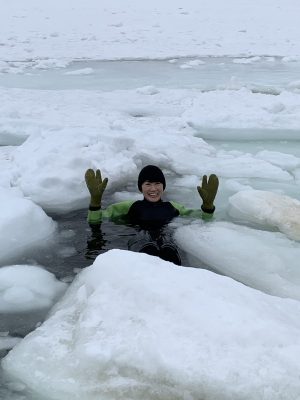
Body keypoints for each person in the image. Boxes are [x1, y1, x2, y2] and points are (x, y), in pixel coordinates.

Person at [85, 165, 219, 265]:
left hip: (167, 242)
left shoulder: (173, 206)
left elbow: (199, 218)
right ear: (140, 187)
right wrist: (95, 202)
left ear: (163, 186)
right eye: (148, 184)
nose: (153, 189)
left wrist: (208, 206)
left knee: (167, 245)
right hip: (140, 240)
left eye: (157, 184)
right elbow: (97, 220)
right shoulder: (128, 206)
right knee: (146, 242)